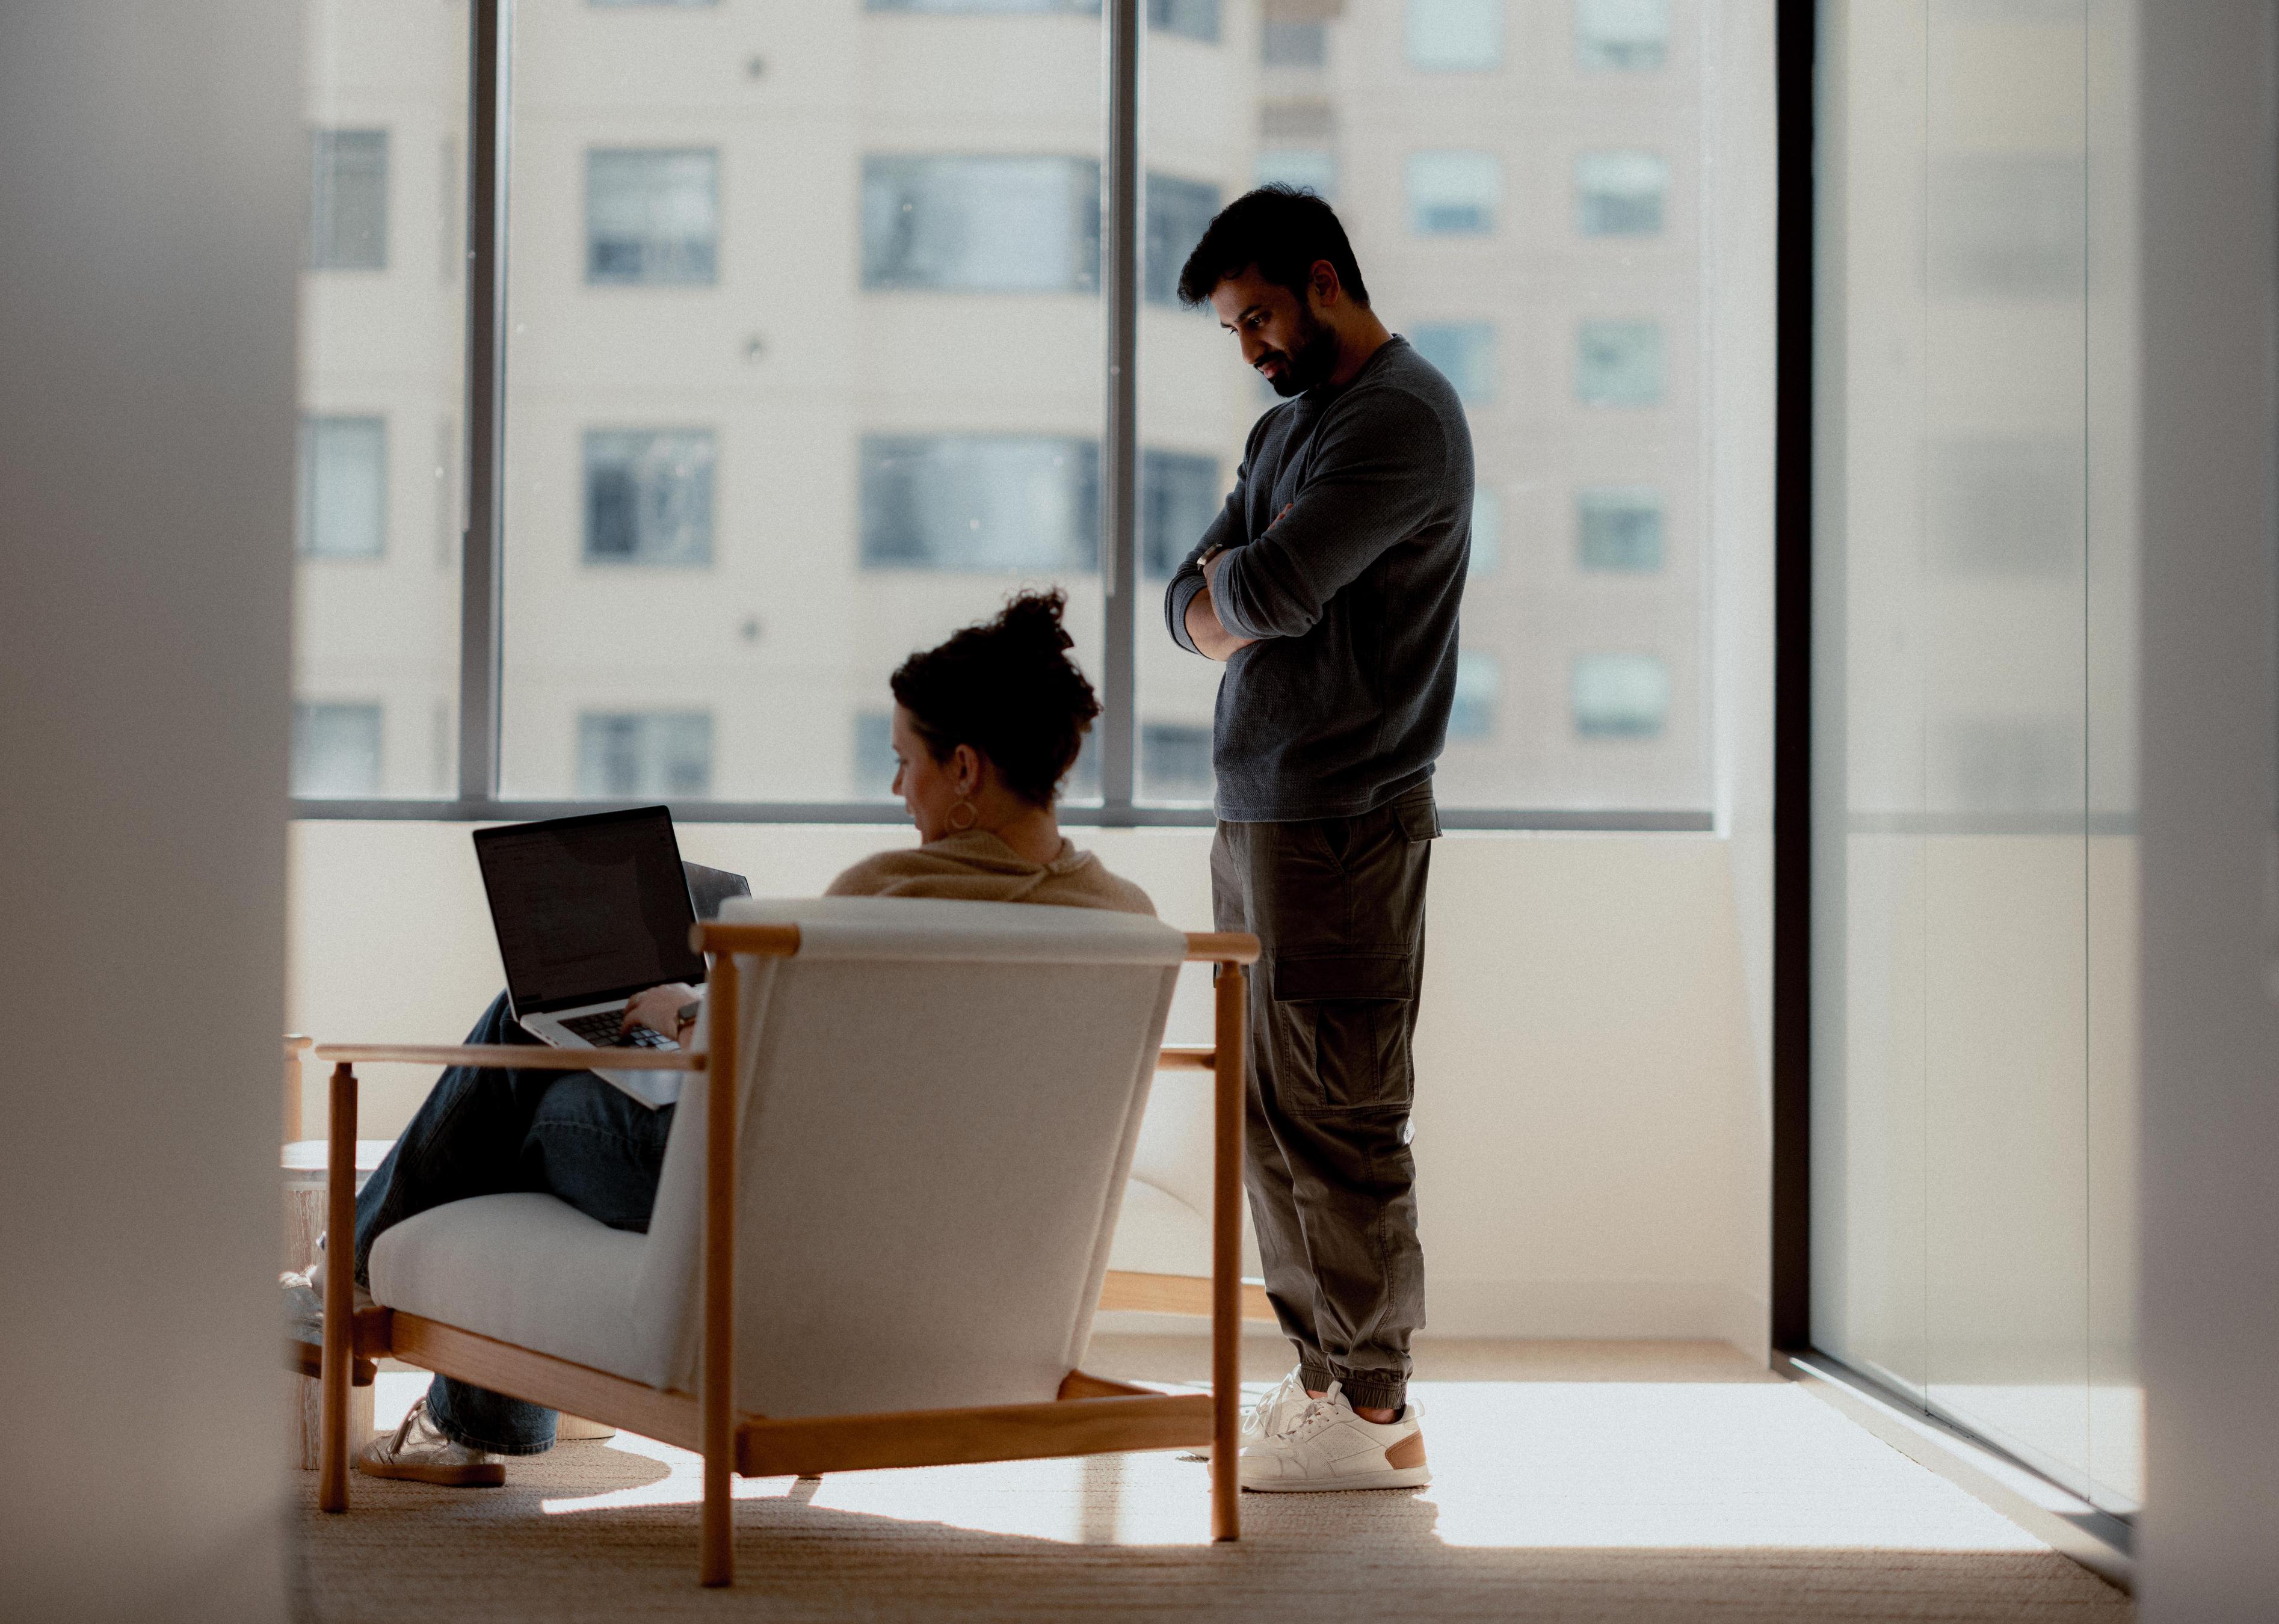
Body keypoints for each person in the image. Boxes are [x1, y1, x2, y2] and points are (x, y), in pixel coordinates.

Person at [288, 591, 1153, 1486]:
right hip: (952, 1239)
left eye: (905, 763)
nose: (899, 791)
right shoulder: (1126, 921)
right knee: (553, 1055)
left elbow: (771, 1069)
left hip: (756, 1206)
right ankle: (452, 1399)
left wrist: (682, 1012)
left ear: (966, 769)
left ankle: (355, 1294)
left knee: (528, 1045)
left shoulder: (890, 900)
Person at [1165, 186, 1471, 1493]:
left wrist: (1233, 595)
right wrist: (1225, 599)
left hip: (1344, 819)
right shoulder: (1286, 426)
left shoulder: (1398, 419)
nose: (1251, 349)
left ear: (1326, 280)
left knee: (1341, 1111)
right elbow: (1186, 600)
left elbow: (1267, 589)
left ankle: (1377, 1408)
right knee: (1269, 1118)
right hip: (1261, 814)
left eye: (1261, 318)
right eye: (1236, 330)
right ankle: (1322, 1379)